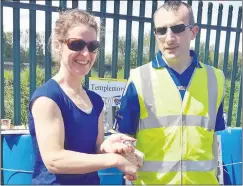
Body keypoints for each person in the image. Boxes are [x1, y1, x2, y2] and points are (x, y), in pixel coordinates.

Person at [114, 1, 226, 184]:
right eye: (161, 30)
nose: (169, 38)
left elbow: (214, 139)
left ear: (194, 32)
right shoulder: (139, 77)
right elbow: (124, 136)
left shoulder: (216, 79)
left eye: (178, 28)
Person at [28, 9, 139, 185]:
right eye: (76, 44)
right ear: (59, 46)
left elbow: (93, 151)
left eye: (92, 46)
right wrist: (115, 161)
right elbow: (54, 160)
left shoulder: (95, 100)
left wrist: (109, 147)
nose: (86, 54)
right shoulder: (47, 99)